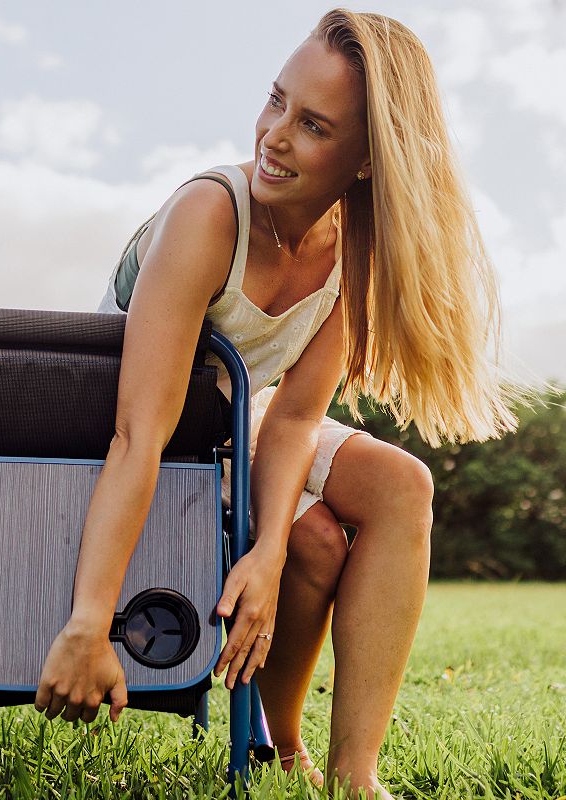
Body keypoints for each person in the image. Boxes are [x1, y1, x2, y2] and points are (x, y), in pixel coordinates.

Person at [34, 9, 518, 798]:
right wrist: (91, 621)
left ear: (365, 161)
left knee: (405, 486)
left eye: (314, 126)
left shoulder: (357, 256)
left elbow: (291, 419)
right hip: (145, 427)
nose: (275, 136)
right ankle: (280, 739)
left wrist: (265, 552)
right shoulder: (209, 213)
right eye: (276, 101)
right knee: (320, 542)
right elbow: (137, 431)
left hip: (236, 423)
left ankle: (354, 777)